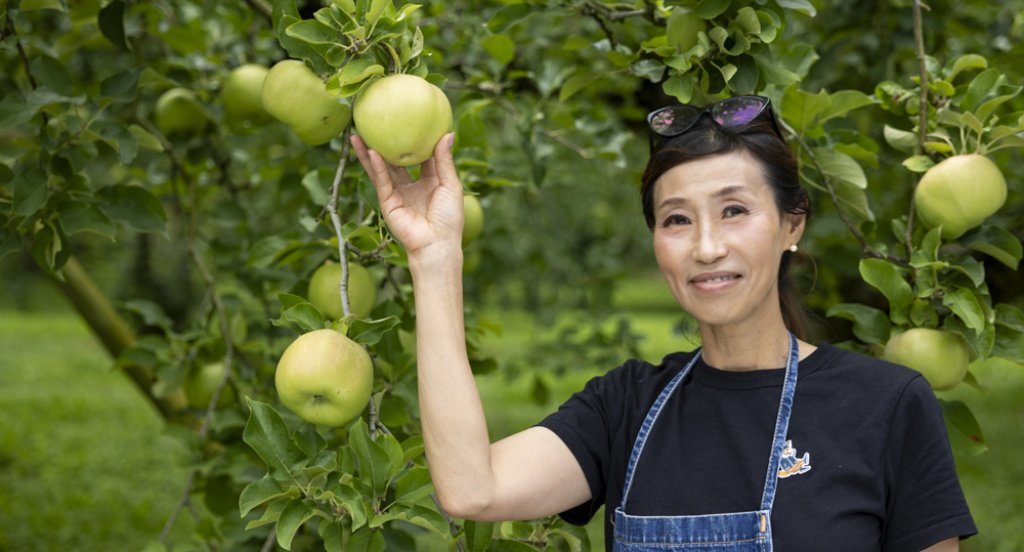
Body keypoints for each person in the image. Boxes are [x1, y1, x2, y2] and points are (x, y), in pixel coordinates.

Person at [350, 95, 977, 551]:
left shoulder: (887, 404)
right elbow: (471, 490)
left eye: (734, 210)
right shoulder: (624, 407)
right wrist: (434, 259)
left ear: (792, 225)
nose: (706, 247)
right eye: (676, 219)